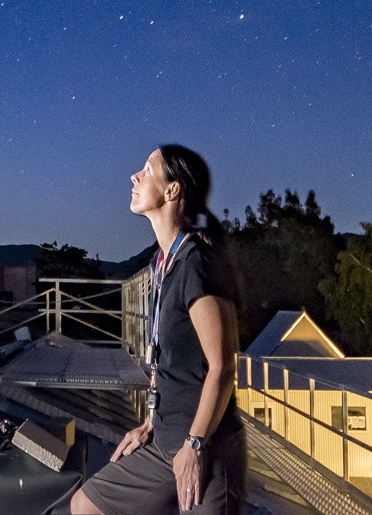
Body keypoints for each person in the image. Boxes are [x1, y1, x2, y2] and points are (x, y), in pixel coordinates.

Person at [71, 144, 245, 515]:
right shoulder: (161, 264)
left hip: (205, 447)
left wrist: (195, 446)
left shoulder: (198, 262)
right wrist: (148, 424)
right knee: (86, 505)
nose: (134, 176)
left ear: (172, 190)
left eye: (147, 170)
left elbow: (223, 366)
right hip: (165, 440)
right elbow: (165, 360)